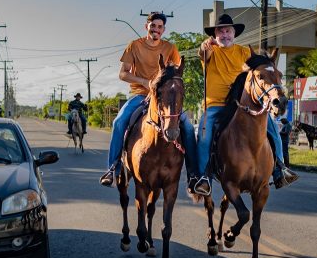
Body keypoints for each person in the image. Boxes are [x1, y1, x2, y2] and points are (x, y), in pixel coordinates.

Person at [99, 12, 209, 196]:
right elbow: (123, 74)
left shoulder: (170, 48)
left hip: (164, 98)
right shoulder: (134, 46)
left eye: (159, 27)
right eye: (153, 26)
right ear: (146, 26)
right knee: (118, 122)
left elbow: (175, 73)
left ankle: (193, 176)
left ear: (163, 30)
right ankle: (113, 168)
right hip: (140, 94)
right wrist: (144, 82)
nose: (155, 29)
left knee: (188, 128)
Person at [197, 13, 298, 189]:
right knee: (204, 137)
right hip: (216, 104)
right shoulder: (209, 51)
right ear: (214, 35)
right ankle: (203, 177)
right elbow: (203, 54)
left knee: (273, 128)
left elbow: (260, 68)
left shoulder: (244, 52)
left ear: (234, 33)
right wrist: (204, 46)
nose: (225, 35)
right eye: (220, 32)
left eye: (228, 31)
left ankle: (280, 169)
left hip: (241, 104)